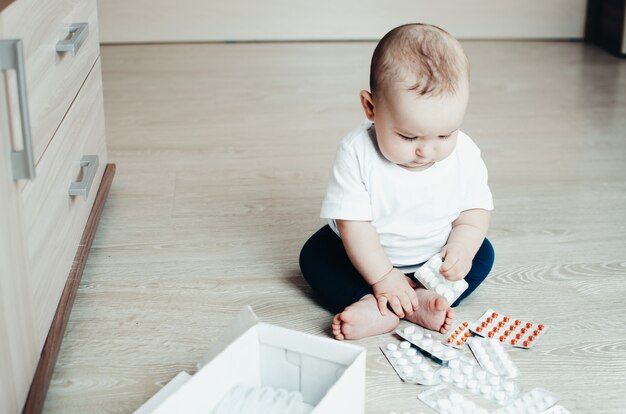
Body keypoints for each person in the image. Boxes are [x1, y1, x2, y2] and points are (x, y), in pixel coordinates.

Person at [299, 23, 495, 340]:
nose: (426, 150)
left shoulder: (466, 153)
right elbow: (353, 226)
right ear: (371, 108)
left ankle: (416, 298)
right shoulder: (356, 153)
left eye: (445, 134)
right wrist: (383, 277)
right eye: (408, 136)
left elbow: (475, 210)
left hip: (432, 256)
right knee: (315, 256)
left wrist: (461, 248)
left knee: (482, 253)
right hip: (364, 256)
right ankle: (373, 300)